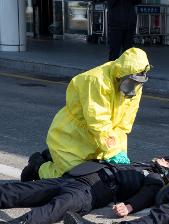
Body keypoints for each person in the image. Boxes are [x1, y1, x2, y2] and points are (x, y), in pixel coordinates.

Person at [20, 48, 151, 181]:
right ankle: (39, 166)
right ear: (121, 74)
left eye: (138, 83)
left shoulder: (134, 84)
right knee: (71, 179)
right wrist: (113, 151)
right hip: (72, 137)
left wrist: (120, 152)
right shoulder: (96, 80)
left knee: (97, 176)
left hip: (100, 140)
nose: (134, 88)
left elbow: (124, 124)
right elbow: (98, 121)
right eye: (132, 82)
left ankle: (52, 158)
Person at [0, 156, 169, 224]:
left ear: (167, 167)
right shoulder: (136, 163)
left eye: (165, 159)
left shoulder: (154, 177)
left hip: (90, 192)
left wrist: (129, 206)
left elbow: (148, 193)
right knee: (22, 190)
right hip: (74, 179)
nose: (158, 158)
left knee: (56, 208)